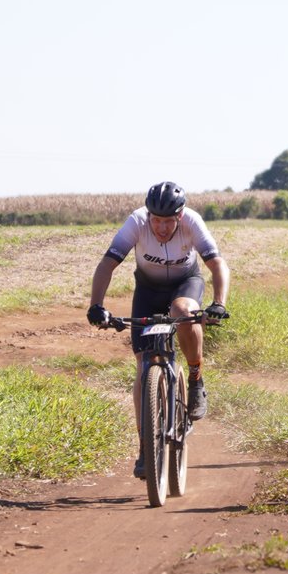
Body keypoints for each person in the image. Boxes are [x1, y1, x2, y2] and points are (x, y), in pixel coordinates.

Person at [87, 181, 229, 478]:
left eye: (168, 221)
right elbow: (107, 264)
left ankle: (195, 377)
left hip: (185, 283)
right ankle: (145, 447)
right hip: (148, 290)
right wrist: (96, 305)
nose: (162, 228)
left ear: (180, 216)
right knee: (142, 368)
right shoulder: (136, 222)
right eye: (156, 220)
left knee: (182, 312)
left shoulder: (192, 222)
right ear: (148, 215)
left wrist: (218, 303)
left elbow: (217, 265)